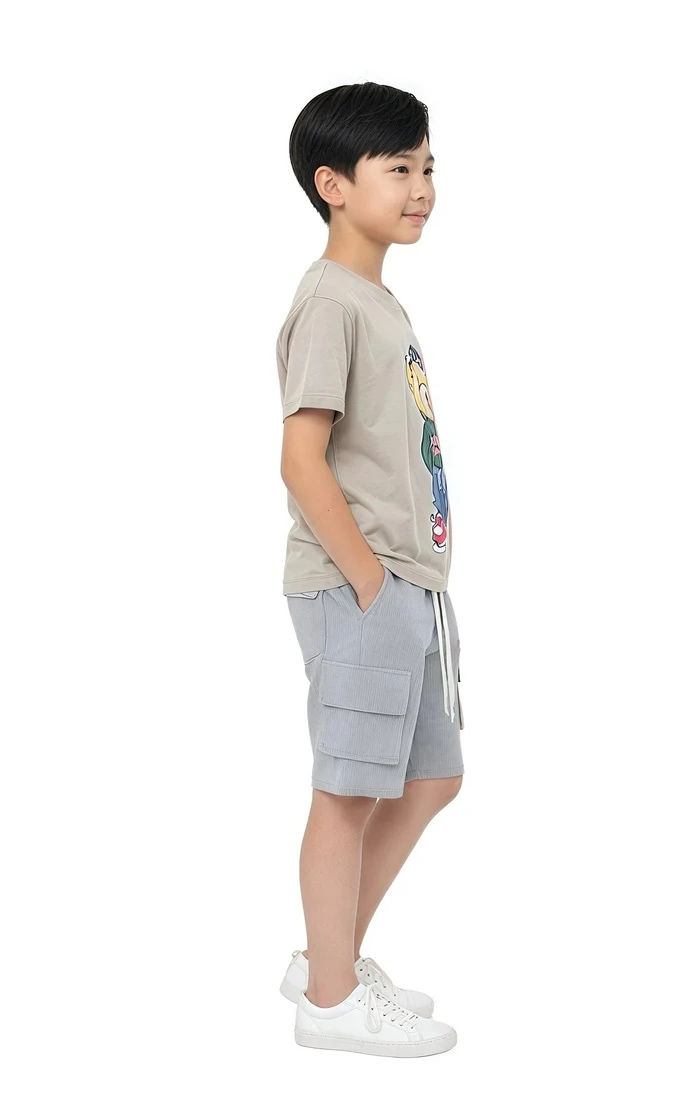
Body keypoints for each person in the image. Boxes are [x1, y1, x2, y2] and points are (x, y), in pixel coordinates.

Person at [273, 82, 464, 1059]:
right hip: (365, 582)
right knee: (347, 792)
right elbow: (300, 456)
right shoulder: (328, 302)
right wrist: (369, 580)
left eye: (428, 166)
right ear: (334, 184)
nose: (422, 187)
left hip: (407, 584)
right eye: (399, 168)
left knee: (433, 777)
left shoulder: (376, 299)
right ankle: (330, 999)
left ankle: (329, 958)